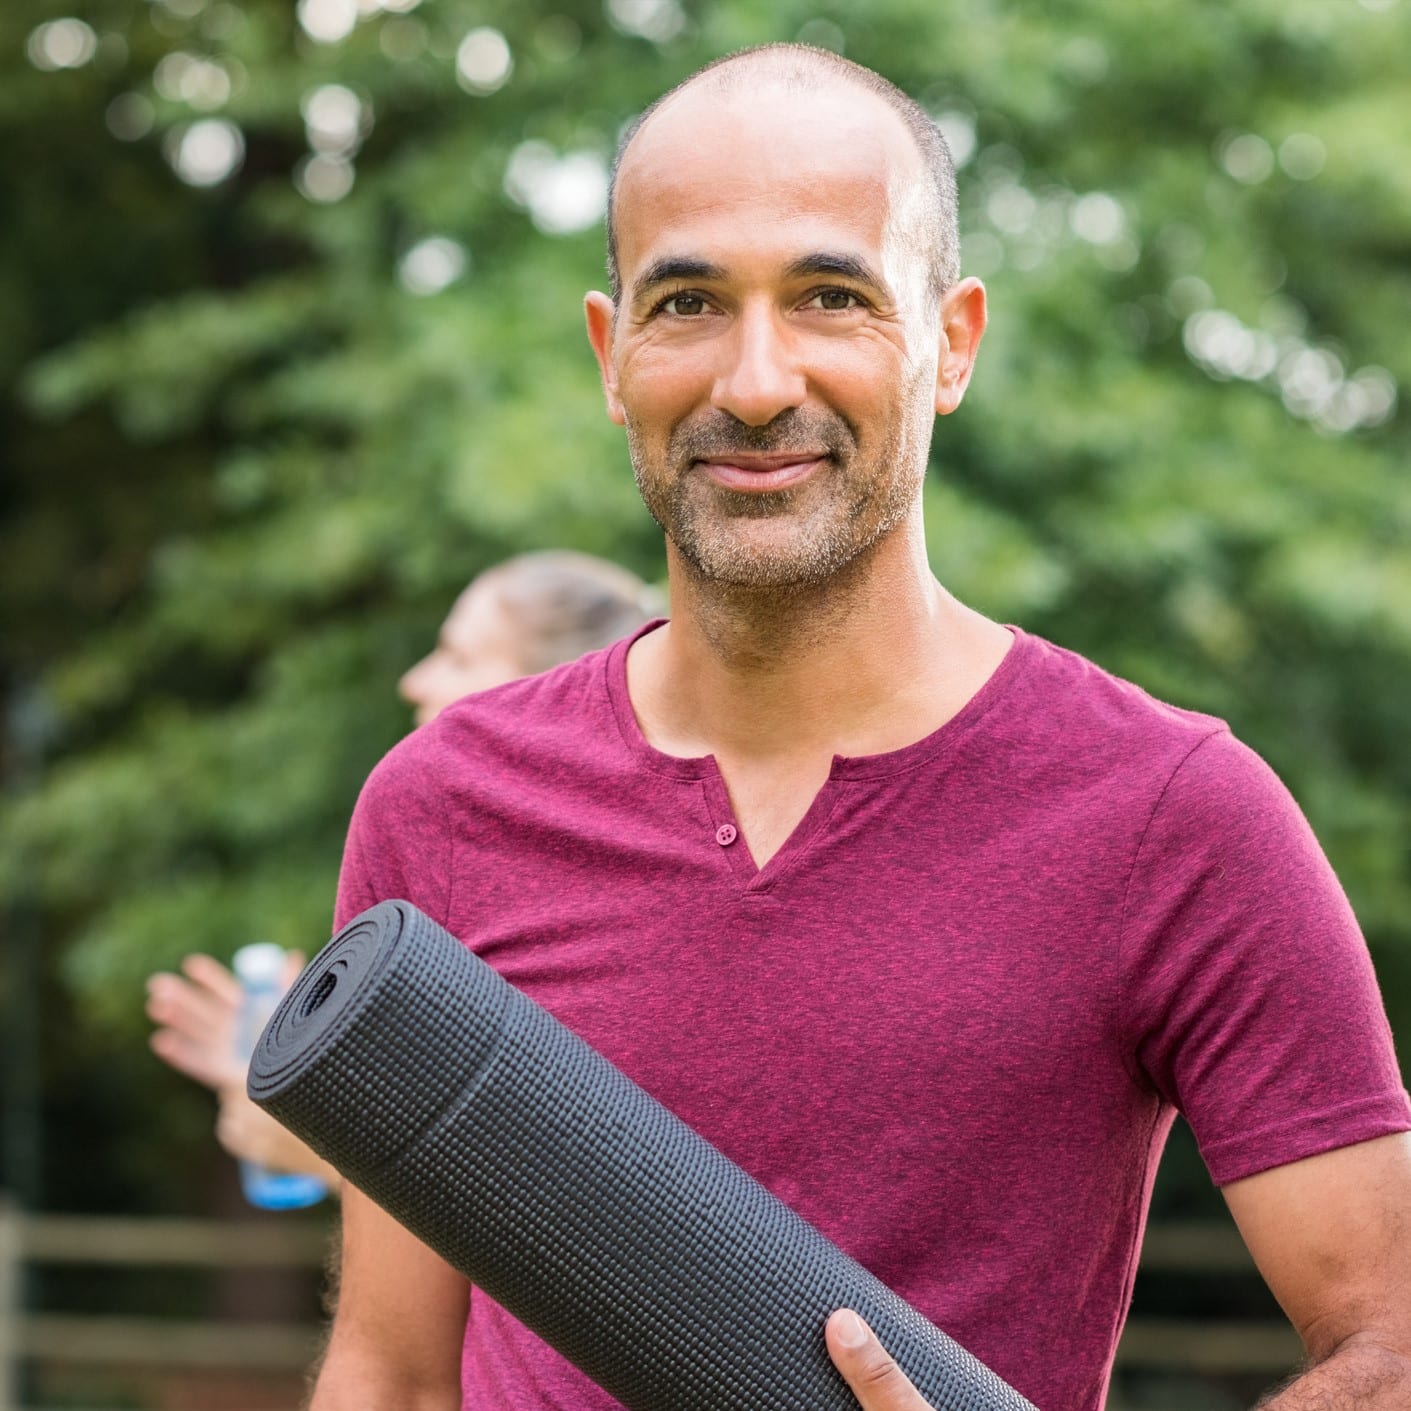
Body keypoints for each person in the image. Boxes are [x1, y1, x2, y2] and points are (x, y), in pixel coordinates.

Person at [308, 43, 1411, 1411]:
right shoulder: (445, 800)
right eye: (688, 303)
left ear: (951, 343)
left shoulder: (1170, 810)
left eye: (831, 297)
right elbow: (392, 1373)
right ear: (610, 354)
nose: (755, 381)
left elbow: (1390, 1350)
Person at [144, 550, 660, 1188]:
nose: (413, 682)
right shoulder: (445, 865)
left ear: (551, 687)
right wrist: (307, 1076)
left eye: (457, 657)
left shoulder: (591, 916)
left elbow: (572, 1192)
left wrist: (325, 1155)